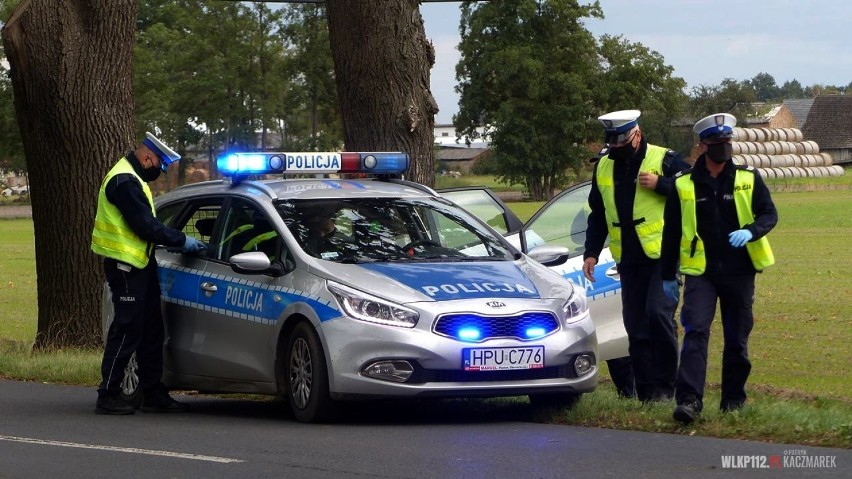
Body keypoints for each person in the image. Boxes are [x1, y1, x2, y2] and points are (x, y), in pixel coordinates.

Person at [661, 113, 778, 425]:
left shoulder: (749, 180)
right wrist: (666, 275)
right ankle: (688, 401)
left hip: (740, 272)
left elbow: (769, 214)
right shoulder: (682, 185)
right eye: (717, 143)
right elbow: (671, 232)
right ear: (703, 145)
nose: (724, 147)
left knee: (737, 339)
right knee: (696, 331)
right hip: (701, 272)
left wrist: (751, 231)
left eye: (727, 142)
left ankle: (733, 401)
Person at [91, 132, 206, 415]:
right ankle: (108, 394)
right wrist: (181, 240)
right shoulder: (124, 181)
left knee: (152, 328)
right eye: (159, 166)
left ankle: (153, 392)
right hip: (125, 266)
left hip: (140, 265)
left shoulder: (133, 178)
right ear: (147, 158)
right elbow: (145, 225)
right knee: (127, 328)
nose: (159, 172)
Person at [583, 109, 691, 402]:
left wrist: (662, 185)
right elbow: (598, 214)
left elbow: (696, 192)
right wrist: (591, 252)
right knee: (635, 327)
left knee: (658, 316)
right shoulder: (604, 167)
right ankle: (646, 395)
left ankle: (666, 391)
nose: (616, 149)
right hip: (628, 261)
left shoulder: (665, 159)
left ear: (636, 135)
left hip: (662, 258)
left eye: (621, 142)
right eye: (612, 144)